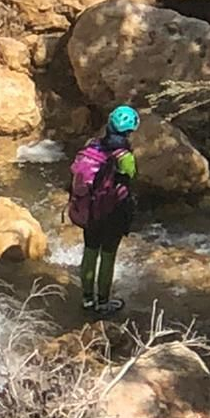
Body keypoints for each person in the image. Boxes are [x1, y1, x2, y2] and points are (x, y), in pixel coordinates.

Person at [67, 105, 139, 314]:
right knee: (107, 256)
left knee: (90, 251)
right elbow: (131, 175)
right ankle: (104, 301)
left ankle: (87, 299)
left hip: (89, 209)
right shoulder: (124, 156)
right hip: (112, 212)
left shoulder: (92, 145)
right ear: (129, 131)